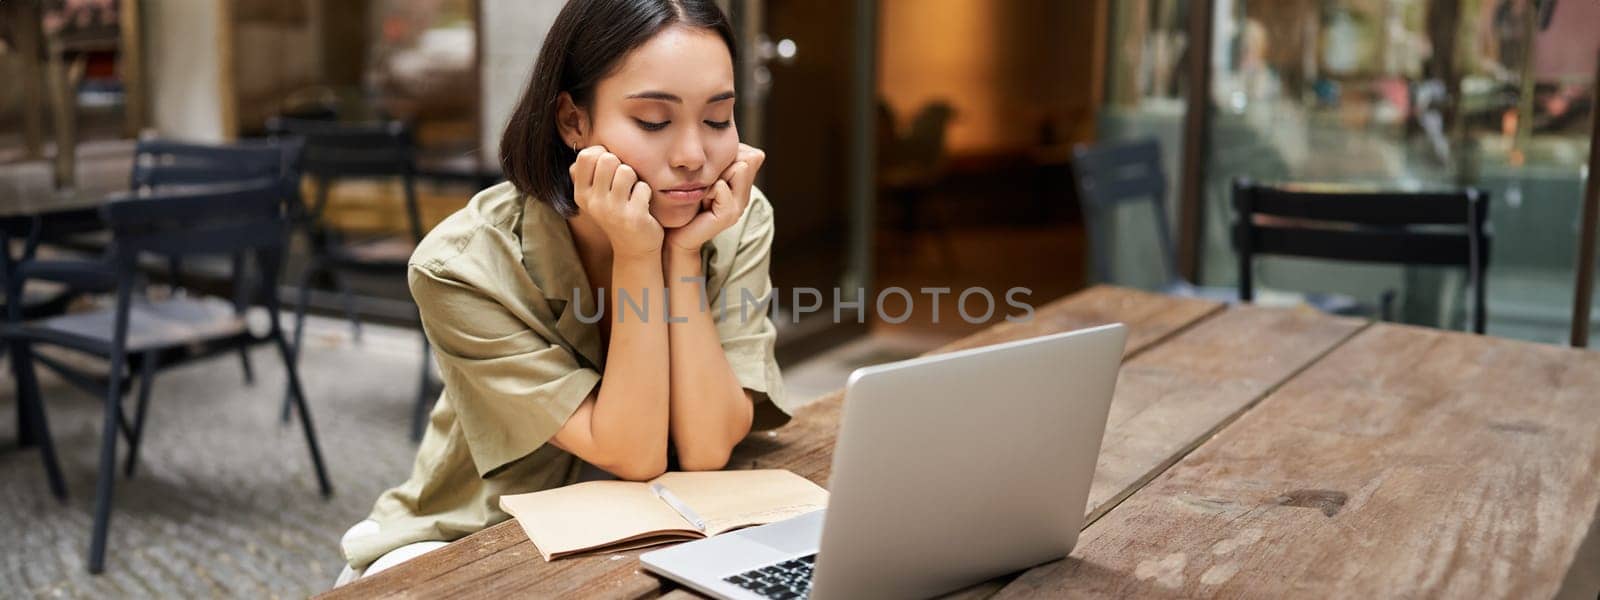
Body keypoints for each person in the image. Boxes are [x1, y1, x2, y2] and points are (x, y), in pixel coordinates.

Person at [334, 0, 794, 585]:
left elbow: (706, 448)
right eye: (654, 121)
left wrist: (678, 256)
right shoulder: (463, 265)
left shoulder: (736, 218)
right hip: (477, 538)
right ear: (573, 122)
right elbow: (632, 452)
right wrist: (634, 253)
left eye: (718, 119)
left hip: (655, 527)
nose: (693, 158)